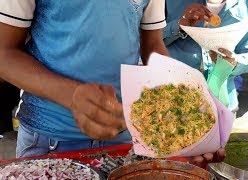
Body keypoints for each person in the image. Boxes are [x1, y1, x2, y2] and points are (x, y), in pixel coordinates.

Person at [0, 0, 168, 158]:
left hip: (125, 135)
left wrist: (178, 99)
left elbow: (153, 43)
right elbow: (4, 54)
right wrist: (72, 95)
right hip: (49, 138)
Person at [163, 0, 248, 113]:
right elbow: (147, 41)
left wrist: (234, 61)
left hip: (224, 105)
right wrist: (179, 25)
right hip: (176, 103)